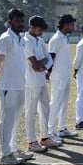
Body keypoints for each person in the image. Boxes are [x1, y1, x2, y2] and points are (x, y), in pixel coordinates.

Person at [0, 8, 32, 165]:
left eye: (22, 21)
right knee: (6, 120)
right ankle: (5, 155)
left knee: (15, 119)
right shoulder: (5, 38)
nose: (20, 24)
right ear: (10, 22)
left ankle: (13, 149)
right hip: (8, 85)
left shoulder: (20, 39)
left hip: (20, 85)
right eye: (17, 21)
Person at [24, 15, 62, 152]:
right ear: (32, 27)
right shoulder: (26, 41)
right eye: (39, 30)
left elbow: (49, 59)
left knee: (45, 109)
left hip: (41, 80)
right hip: (31, 82)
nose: (41, 33)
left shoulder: (39, 41)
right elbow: (34, 64)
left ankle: (45, 138)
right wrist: (41, 63)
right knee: (31, 112)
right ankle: (31, 141)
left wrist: (43, 65)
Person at [48, 14, 78, 139]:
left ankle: (62, 128)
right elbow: (51, 57)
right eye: (71, 24)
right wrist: (48, 72)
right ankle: (51, 131)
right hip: (58, 76)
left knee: (64, 103)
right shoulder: (56, 39)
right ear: (65, 25)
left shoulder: (65, 38)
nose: (73, 27)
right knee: (55, 102)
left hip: (65, 76)